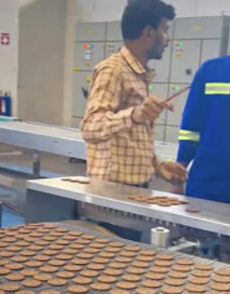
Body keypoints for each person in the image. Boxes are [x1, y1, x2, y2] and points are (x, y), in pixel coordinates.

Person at [81, 0, 187, 187]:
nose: (168, 39)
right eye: (164, 30)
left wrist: (158, 164)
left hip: (134, 191)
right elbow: (90, 128)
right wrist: (135, 114)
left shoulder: (138, 75)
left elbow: (131, 138)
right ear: (148, 32)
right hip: (110, 194)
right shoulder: (113, 70)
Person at [176, 56, 230, 203]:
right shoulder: (209, 71)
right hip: (206, 186)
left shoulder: (211, 70)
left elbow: (190, 127)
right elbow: (190, 127)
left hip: (205, 185)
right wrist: (178, 174)